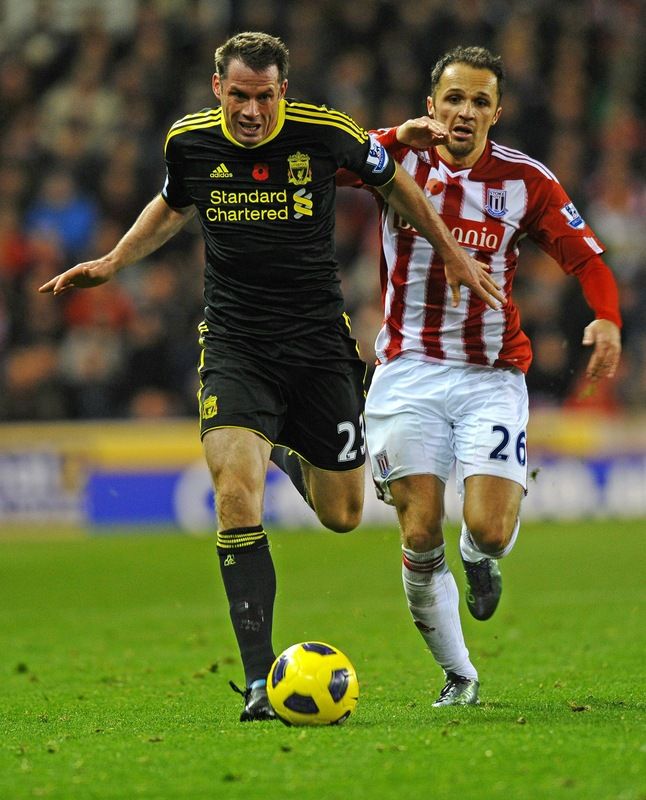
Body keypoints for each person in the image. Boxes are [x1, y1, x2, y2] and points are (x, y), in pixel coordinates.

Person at [38, 33, 504, 722]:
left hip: (319, 345)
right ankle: (260, 683)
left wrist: (451, 253)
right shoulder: (189, 143)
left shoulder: (326, 134)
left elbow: (394, 179)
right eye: (238, 96)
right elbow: (171, 205)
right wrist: (112, 261)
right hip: (235, 343)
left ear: (282, 92)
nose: (251, 112)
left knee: (345, 515)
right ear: (216, 90)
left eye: (263, 97)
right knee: (234, 496)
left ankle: (284, 451)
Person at [354, 46, 622, 706]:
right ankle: (460, 675)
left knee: (491, 528)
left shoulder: (525, 181)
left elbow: (586, 260)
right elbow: (322, 158)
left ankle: (479, 557)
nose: (465, 112)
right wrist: (389, 138)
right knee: (418, 529)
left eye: (479, 102)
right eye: (454, 99)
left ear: (496, 112)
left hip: (489, 376)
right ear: (431, 104)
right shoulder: (396, 157)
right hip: (407, 371)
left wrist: (608, 319)